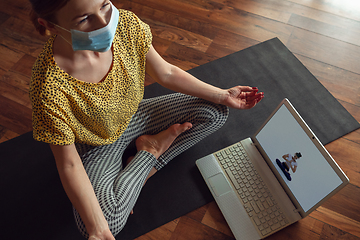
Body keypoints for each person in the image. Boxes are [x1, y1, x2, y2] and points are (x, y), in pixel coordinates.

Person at [28, 0, 264, 239]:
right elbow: (68, 163)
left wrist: (223, 95)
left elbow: (166, 72)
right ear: (50, 25)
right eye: (84, 19)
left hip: (135, 116)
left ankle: (144, 164)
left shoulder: (127, 25)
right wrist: (98, 230)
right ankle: (150, 153)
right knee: (106, 220)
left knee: (216, 112)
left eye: (104, 5)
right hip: (96, 145)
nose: (104, 22)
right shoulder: (47, 86)